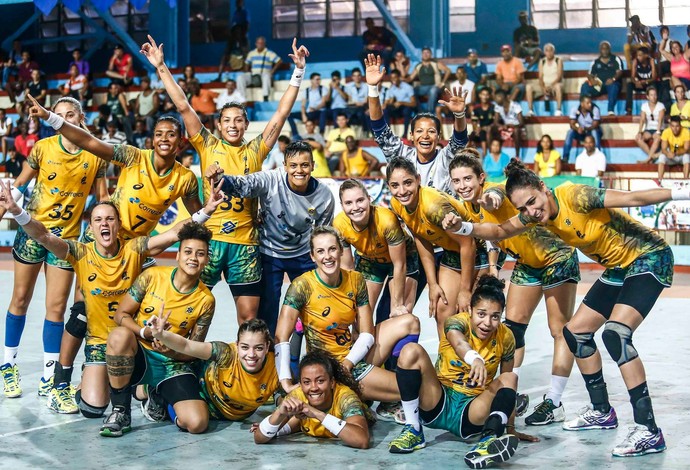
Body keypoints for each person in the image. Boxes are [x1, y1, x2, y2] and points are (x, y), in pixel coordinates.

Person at [445, 159, 690, 457]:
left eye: (533, 202)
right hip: (617, 267)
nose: (531, 212)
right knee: (575, 333)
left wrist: (682, 193)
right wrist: (464, 226)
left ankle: (649, 430)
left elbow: (632, 198)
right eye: (523, 209)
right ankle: (602, 412)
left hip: (648, 257)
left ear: (544, 189)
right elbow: (498, 231)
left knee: (616, 334)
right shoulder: (534, 216)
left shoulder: (575, 196)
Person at [141, 35, 309, 327]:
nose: (233, 125)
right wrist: (161, 67)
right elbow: (182, 106)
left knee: (249, 318)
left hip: (245, 245)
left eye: (238, 120)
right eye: (227, 120)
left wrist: (298, 73)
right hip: (209, 240)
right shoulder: (207, 145)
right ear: (218, 125)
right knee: (188, 308)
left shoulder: (256, 149)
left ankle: (245, 370)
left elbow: (281, 114)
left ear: (246, 124)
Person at [449, 151, 579, 427]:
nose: (462, 186)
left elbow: (494, 202)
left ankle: (554, 402)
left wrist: (489, 199)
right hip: (527, 264)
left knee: (560, 330)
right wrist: (494, 264)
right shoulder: (467, 207)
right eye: (456, 181)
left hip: (557, 258)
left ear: (481, 177)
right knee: (512, 329)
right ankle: (511, 389)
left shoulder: (494, 191)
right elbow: (496, 235)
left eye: (468, 179)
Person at [0, 97, 108, 399]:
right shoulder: (43, 148)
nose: (64, 119)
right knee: (20, 299)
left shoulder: (96, 153)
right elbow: (18, 187)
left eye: (70, 114)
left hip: (66, 242)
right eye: (58, 115)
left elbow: (102, 199)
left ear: (81, 116)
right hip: (32, 231)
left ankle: (49, 376)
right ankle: (8, 365)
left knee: (56, 308)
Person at [273, 226, 420, 404]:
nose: (327, 256)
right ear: (313, 256)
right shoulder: (302, 285)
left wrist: (348, 364)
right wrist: (286, 382)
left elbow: (366, 333)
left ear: (341, 251)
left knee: (410, 322)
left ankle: (387, 383)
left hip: (352, 357)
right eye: (320, 251)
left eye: (332, 249)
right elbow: (281, 336)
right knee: (412, 389)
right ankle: (364, 394)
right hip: (327, 368)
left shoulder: (356, 279)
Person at [388, 275, 523, 465]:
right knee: (411, 351)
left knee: (510, 377)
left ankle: (488, 440)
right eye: (481, 314)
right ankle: (413, 428)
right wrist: (475, 358)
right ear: (470, 310)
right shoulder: (455, 322)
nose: (487, 323)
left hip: (472, 412)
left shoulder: (506, 337)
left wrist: (510, 426)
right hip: (438, 402)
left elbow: (505, 387)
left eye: (495, 316)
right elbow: (458, 341)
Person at [99, 222, 216, 437]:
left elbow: (192, 349)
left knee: (198, 424)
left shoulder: (206, 300)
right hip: (139, 354)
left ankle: (157, 395)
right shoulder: (152, 277)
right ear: (178, 254)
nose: (193, 258)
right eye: (188, 251)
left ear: (207, 260)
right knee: (119, 336)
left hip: (171, 363)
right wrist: (145, 333)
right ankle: (120, 411)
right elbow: (120, 315)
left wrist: (168, 348)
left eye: (200, 254)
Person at [206, 141, 335, 335]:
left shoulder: (324, 196)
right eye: (293, 165)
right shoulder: (271, 179)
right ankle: (270, 359)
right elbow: (244, 185)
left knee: (315, 309)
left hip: (302, 255)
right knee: (267, 314)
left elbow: (323, 236)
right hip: (269, 253)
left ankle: (312, 358)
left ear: (313, 166)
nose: (299, 170)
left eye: (304, 165)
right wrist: (219, 178)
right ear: (284, 166)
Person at [386, 157, 475, 337]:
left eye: (408, 183)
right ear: (389, 186)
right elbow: (421, 237)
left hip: (478, 249)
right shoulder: (397, 204)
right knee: (442, 309)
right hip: (454, 250)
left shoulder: (433, 207)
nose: (402, 191)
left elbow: (469, 243)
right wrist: (432, 284)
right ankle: (446, 361)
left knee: (469, 312)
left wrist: (465, 290)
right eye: (395, 185)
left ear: (418, 179)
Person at [366, 53, 469, 195]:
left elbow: (460, 140)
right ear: (411, 136)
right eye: (419, 131)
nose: (425, 136)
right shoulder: (402, 155)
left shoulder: (446, 158)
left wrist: (459, 114)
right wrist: (372, 88)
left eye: (431, 131)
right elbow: (379, 129)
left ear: (439, 137)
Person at [148, 313, 279, 423]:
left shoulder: (277, 367)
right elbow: (187, 346)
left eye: (259, 348)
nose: (251, 355)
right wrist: (161, 335)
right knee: (196, 423)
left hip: (226, 415)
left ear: (267, 347)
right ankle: (158, 395)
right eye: (245, 347)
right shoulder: (226, 354)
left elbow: (287, 399)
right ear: (237, 345)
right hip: (197, 386)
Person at [333, 178, 418, 321]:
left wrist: (397, 304)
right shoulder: (339, 224)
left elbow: (399, 264)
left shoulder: (386, 220)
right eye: (348, 203)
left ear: (369, 199)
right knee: (359, 316)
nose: (355, 207)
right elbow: (348, 268)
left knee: (398, 315)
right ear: (342, 206)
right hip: (369, 260)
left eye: (360, 200)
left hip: (403, 259)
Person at [254, 350, 369, 449]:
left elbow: (362, 440)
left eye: (320, 381)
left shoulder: (346, 397)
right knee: (287, 419)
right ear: (300, 384)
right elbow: (258, 438)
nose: (313, 388)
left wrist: (315, 413)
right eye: (306, 382)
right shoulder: (298, 394)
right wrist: (278, 414)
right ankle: (278, 400)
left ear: (332, 382)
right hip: (307, 428)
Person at [581, 41, 624, 116]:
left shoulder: (615, 59)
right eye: (602, 49)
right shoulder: (595, 62)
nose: (604, 50)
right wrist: (592, 80)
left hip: (611, 84)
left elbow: (619, 72)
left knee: (614, 86)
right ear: (600, 50)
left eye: (606, 48)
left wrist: (613, 79)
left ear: (609, 49)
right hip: (599, 85)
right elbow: (589, 74)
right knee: (585, 86)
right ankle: (584, 109)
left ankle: (610, 111)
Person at [237, 36, 282, 102]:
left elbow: (279, 61)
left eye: (262, 43)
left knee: (266, 75)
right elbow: (247, 63)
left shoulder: (269, 53)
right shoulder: (252, 53)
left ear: (264, 44)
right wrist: (247, 71)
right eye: (258, 43)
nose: (260, 44)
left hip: (264, 76)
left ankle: (265, 97)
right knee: (240, 77)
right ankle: (242, 98)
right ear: (256, 44)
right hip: (254, 76)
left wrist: (272, 71)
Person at [408, 47, 451, 113]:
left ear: (431, 54)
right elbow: (410, 78)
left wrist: (443, 82)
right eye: (424, 53)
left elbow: (448, 70)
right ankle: (420, 111)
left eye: (427, 53)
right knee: (412, 90)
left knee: (433, 90)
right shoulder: (418, 66)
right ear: (421, 55)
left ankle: (429, 112)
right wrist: (401, 79)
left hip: (435, 86)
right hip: (423, 88)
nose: (425, 54)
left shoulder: (436, 64)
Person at [526, 43, 563, 117]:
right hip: (544, 85)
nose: (549, 53)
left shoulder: (558, 60)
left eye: (551, 50)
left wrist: (550, 86)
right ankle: (530, 110)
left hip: (554, 85)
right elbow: (540, 77)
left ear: (554, 51)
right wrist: (543, 88)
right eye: (547, 51)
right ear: (544, 52)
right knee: (528, 87)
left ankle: (558, 110)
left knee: (558, 86)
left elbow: (559, 76)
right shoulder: (542, 61)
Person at [563, 95, 602, 162]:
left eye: (590, 103)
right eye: (587, 103)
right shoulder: (575, 109)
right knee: (570, 132)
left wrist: (585, 129)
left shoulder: (595, 109)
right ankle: (565, 157)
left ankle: (597, 157)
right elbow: (572, 124)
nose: (590, 105)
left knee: (594, 132)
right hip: (581, 132)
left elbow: (595, 125)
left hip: (591, 131)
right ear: (582, 104)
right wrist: (577, 129)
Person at [492, 89, 525, 158]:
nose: (495, 99)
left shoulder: (515, 105)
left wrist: (512, 125)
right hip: (506, 129)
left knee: (516, 130)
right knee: (491, 129)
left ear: (502, 97)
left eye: (496, 97)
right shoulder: (497, 106)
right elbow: (496, 122)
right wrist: (502, 126)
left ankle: (517, 156)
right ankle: (491, 154)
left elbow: (522, 123)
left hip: (517, 128)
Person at [383, 69, 417, 137]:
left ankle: (405, 134)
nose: (393, 80)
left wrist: (402, 103)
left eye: (395, 77)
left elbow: (414, 103)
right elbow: (391, 101)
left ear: (399, 77)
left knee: (407, 110)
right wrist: (390, 103)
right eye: (392, 78)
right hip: (398, 108)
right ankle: (388, 134)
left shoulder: (408, 87)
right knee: (386, 110)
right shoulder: (392, 88)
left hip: (407, 107)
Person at [636, 86, 665, 163]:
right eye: (651, 95)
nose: (654, 97)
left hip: (659, 128)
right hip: (648, 129)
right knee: (638, 138)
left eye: (655, 95)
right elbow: (642, 120)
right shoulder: (644, 106)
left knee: (657, 139)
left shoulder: (661, 105)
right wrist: (639, 132)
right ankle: (652, 156)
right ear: (647, 96)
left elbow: (660, 120)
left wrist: (658, 131)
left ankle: (647, 159)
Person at [626, 47, 657, 115]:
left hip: (648, 83)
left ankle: (654, 108)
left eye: (640, 55)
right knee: (629, 85)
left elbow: (654, 77)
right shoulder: (635, 61)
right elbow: (632, 77)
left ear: (646, 55)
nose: (638, 57)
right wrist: (636, 82)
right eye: (637, 55)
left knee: (654, 85)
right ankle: (629, 110)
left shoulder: (651, 61)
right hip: (639, 84)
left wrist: (646, 82)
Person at [658, 115, 690, 179]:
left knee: (686, 156)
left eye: (677, 126)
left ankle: (686, 180)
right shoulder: (666, 132)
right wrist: (668, 153)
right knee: (662, 156)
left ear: (680, 126)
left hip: (681, 156)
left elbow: (686, 149)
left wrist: (676, 153)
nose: (675, 129)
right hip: (671, 156)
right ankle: (660, 180)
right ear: (670, 126)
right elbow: (663, 149)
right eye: (673, 126)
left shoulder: (686, 132)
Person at [471, 87, 496, 157]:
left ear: (489, 96)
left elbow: (496, 122)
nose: (485, 97)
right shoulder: (476, 108)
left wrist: (489, 127)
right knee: (472, 135)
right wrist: (477, 129)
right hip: (481, 130)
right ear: (480, 95)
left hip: (492, 130)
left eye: (487, 95)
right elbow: (474, 122)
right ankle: (481, 154)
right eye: (483, 94)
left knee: (487, 131)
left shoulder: (493, 107)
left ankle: (488, 153)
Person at [344, 67, 368, 131]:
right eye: (354, 76)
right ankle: (347, 131)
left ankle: (365, 132)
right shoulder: (348, 86)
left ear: (361, 76)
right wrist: (355, 103)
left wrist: (360, 103)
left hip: (362, 106)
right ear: (352, 77)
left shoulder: (366, 86)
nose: (356, 77)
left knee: (362, 113)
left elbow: (366, 99)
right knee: (346, 114)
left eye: (358, 75)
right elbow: (349, 99)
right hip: (352, 107)